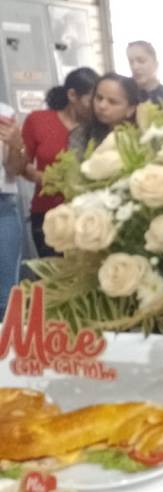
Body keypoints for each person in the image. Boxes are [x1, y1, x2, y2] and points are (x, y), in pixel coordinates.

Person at [22, 67, 98, 257]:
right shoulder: (38, 120)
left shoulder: (98, 128)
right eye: (91, 100)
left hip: (89, 216)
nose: (96, 107)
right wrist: (45, 178)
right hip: (48, 214)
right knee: (53, 272)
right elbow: (22, 164)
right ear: (72, 95)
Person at [68, 73, 142, 157]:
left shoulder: (143, 137)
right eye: (99, 98)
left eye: (112, 102)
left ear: (131, 109)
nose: (102, 106)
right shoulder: (81, 134)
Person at [0, 101, 26, 315]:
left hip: (3, 207)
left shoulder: (4, 112)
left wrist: (17, 146)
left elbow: (14, 169)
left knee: (6, 297)